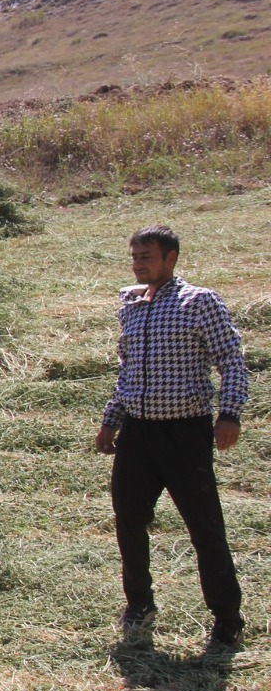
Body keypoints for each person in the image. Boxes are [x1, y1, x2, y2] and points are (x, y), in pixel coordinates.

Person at [95, 225, 248, 652]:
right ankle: (139, 606)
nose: (139, 263)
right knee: (128, 521)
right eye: (136, 256)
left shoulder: (199, 302)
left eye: (147, 256)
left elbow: (232, 361)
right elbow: (127, 370)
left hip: (185, 433)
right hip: (138, 434)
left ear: (171, 258)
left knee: (204, 528)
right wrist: (111, 420)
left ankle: (227, 617)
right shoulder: (130, 303)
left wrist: (229, 414)